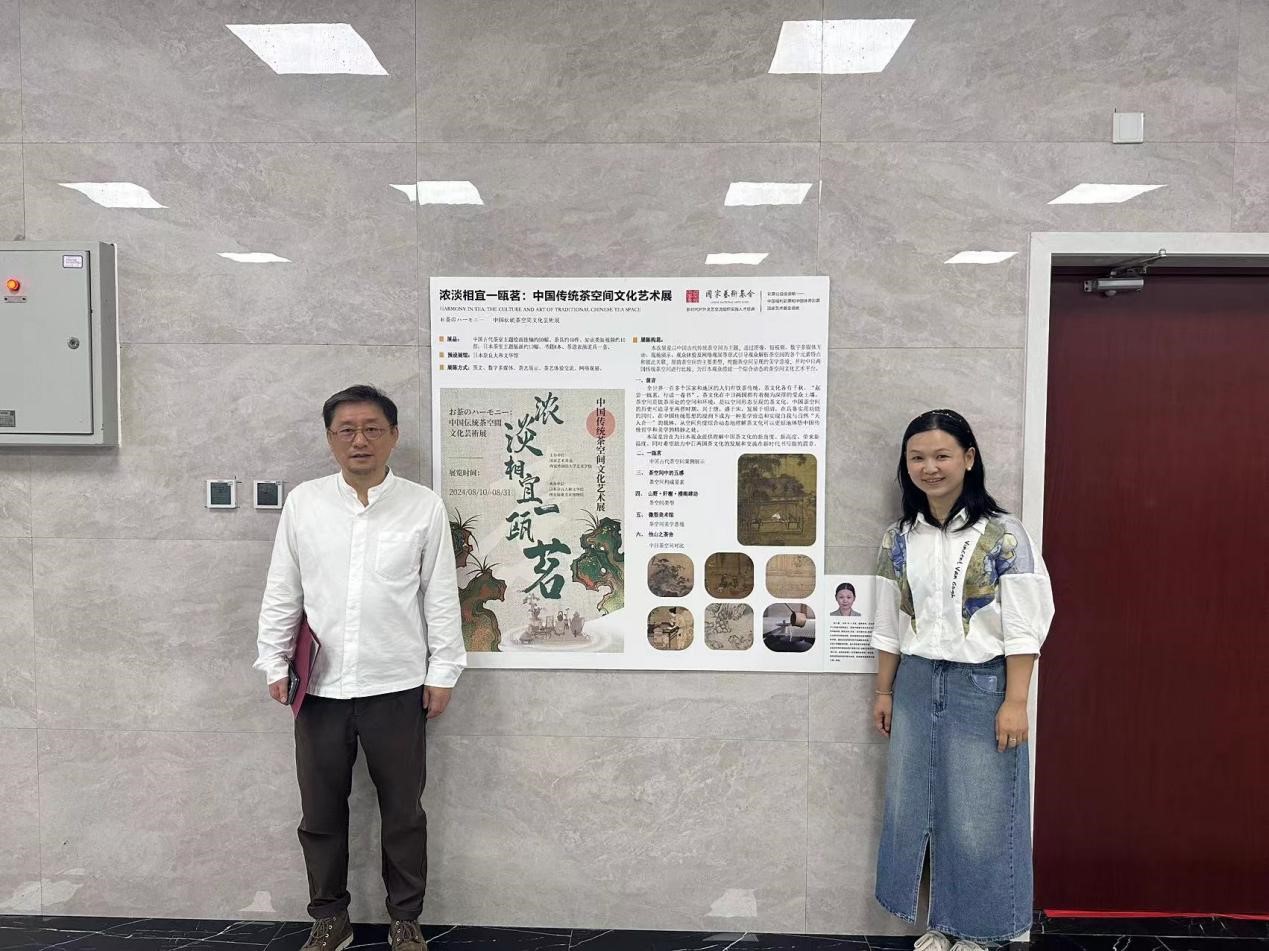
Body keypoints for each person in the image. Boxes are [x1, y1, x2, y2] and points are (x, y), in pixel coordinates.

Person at [256, 385, 466, 951]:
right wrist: (273, 659)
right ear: (330, 439)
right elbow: (283, 588)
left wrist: (443, 671)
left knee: (404, 814)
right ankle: (330, 918)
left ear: (393, 436)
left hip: (397, 685)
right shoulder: (305, 503)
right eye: (346, 430)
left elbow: (439, 595)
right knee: (320, 812)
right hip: (318, 689)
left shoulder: (422, 505)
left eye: (372, 429)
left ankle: (405, 918)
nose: (360, 441)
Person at [870, 409, 1054, 950]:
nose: (929, 467)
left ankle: (982, 930)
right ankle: (943, 922)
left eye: (942, 455)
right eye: (917, 458)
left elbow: (1023, 626)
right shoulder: (899, 537)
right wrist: (884, 690)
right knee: (919, 805)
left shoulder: (1004, 535)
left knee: (981, 811)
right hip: (915, 681)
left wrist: (1016, 701)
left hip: (983, 685)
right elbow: (888, 621)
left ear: (969, 459)